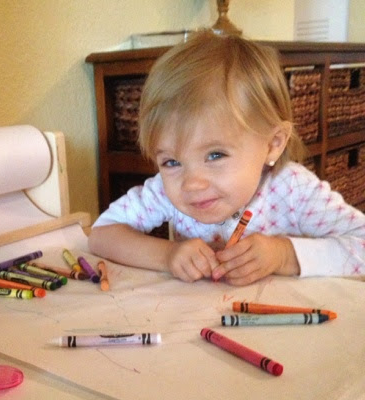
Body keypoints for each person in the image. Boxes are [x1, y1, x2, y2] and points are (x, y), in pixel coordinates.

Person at [88, 30, 365, 286]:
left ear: (273, 144)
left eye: (215, 155)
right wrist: (167, 255)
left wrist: (283, 255)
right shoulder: (165, 190)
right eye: (171, 162)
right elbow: (102, 234)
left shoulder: (293, 189)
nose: (192, 183)